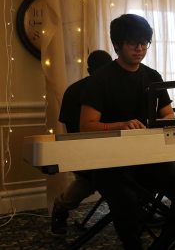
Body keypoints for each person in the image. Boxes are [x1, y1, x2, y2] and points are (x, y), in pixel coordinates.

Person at [80, 14, 175, 249]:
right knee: (127, 201)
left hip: (146, 156)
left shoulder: (152, 76)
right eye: (133, 43)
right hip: (108, 161)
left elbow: (168, 115)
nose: (140, 48)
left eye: (144, 42)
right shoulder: (101, 79)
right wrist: (121, 125)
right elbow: (87, 125)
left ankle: (161, 245)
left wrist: (164, 122)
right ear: (117, 45)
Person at [52, 50, 113, 235]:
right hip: (91, 149)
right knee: (88, 180)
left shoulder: (73, 90)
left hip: (86, 148)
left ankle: (61, 209)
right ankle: (61, 206)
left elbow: (70, 130)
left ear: (88, 69)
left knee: (87, 182)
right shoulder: (106, 87)